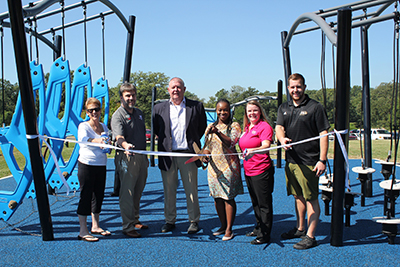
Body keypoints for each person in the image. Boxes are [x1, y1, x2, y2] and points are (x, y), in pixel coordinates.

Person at [275, 73, 330, 250]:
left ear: (304, 87)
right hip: (291, 161)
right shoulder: (284, 107)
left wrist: (322, 159)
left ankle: (310, 236)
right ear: (288, 88)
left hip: (309, 161)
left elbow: (324, 134)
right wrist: (282, 139)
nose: (295, 90)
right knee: (298, 196)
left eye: (298, 86)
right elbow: (279, 127)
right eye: (292, 87)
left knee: (311, 199)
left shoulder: (315, 107)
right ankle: (300, 228)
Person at [153, 77, 207, 234]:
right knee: (169, 190)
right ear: (168, 90)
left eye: (178, 87)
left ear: (184, 89)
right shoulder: (159, 108)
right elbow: (157, 129)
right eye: (172, 87)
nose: (175, 89)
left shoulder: (196, 106)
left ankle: (194, 221)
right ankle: (170, 221)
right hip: (167, 155)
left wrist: (192, 142)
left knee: (191, 189)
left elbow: (201, 126)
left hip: (188, 154)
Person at [111, 82, 149, 238]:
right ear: (122, 97)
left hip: (141, 157)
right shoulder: (117, 115)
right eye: (127, 95)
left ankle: (135, 219)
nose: (131, 98)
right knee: (127, 193)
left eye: (133, 95)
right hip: (127, 158)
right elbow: (119, 137)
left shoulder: (139, 113)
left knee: (138, 190)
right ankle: (127, 226)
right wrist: (126, 145)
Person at [202, 99, 243, 241]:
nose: (222, 112)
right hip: (214, 168)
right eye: (219, 110)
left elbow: (231, 143)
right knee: (217, 198)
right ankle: (222, 225)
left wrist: (218, 133)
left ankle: (229, 229)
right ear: (216, 111)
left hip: (229, 167)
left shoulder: (234, 125)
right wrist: (205, 155)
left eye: (225, 110)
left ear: (229, 110)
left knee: (228, 197)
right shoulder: (210, 126)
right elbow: (207, 146)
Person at [239, 100, 275, 245]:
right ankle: (259, 227)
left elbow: (266, 146)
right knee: (255, 203)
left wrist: (253, 151)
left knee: (264, 204)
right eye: (249, 111)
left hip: (261, 170)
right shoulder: (247, 128)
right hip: (248, 171)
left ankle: (265, 235)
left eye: (255, 110)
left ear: (260, 112)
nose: (252, 113)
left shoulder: (264, 127)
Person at [77, 97, 111, 242]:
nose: (94, 112)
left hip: (101, 165)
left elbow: (107, 142)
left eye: (96, 109)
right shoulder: (83, 126)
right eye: (91, 110)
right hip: (87, 164)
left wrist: (108, 145)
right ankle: (82, 230)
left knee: (98, 195)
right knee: (86, 195)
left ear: (100, 110)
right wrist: (98, 141)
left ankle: (95, 226)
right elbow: (83, 140)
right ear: (87, 112)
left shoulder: (104, 126)